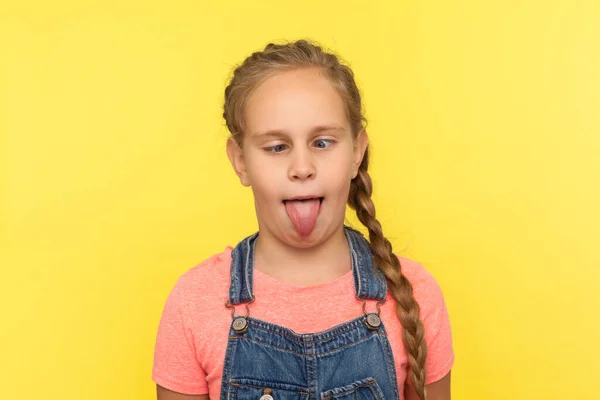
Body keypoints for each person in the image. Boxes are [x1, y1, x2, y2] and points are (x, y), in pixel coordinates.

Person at [152, 40, 454, 400]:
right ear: (240, 160)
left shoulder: (415, 295)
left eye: (323, 142)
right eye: (277, 147)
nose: (302, 168)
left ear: (357, 151)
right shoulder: (193, 302)